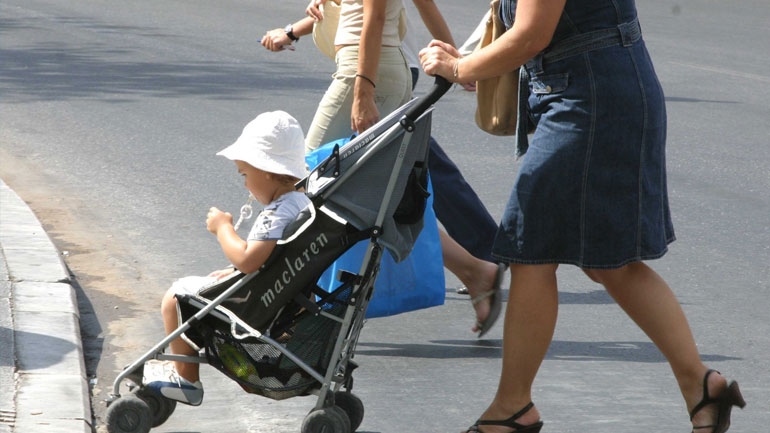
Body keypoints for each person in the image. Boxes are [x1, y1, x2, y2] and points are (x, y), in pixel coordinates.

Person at [419, 0, 746, 432]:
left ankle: (511, 408)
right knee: (607, 262)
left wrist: (462, 69)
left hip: (592, 101)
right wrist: (473, 59)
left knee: (531, 250)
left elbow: (532, 34)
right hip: (586, 94)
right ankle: (700, 385)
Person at [260, 0, 503, 337]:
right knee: (373, 199)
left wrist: (363, 88)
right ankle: (475, 271)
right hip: (377, 70)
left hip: (364, 73)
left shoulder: (363, 77)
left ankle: (282, 303)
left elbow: (373, 17)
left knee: (304, 186)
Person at [145, 110, 311, 405]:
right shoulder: (299, 202)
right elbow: (267, 259)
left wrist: (223, 229)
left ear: (268, 170)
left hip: (257, 306)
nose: (245, 184)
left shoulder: (277, 211)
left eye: (246, 175)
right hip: (273, 294)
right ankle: (183, 370)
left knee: (174, 297)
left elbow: (248, 258)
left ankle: (186, 377)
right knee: (198, 287)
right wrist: (235, 273)